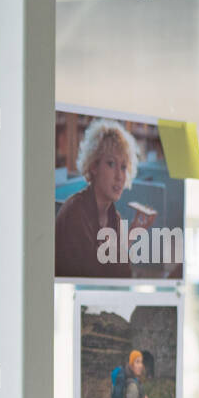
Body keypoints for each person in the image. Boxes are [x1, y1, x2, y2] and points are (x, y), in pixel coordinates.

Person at [55, 118, 157, 280]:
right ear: (94, 166)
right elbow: (91, 278)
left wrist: (132, 232)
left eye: (123, 167)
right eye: (111, 163)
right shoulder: (75, 211)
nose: (119, 176)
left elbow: (121, 278)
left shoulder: (114, 218)